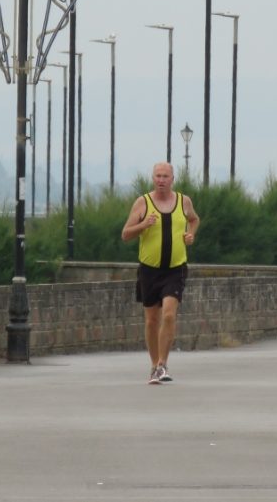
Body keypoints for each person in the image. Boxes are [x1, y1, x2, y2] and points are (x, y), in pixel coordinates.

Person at [121, 162, 200, 385]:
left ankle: (163, 364)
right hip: (149, 269)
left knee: (168, 314)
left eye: (165, 176)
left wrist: (190, 234)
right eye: (158, 176)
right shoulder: (142, 203)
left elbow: (194, 219)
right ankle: (154, 365)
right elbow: (125, 234)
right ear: (153, 178)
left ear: (173, 179)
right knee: (151, 319)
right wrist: (144, 224)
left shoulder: (183, 201)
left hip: (175, 268)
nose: (161, 180)